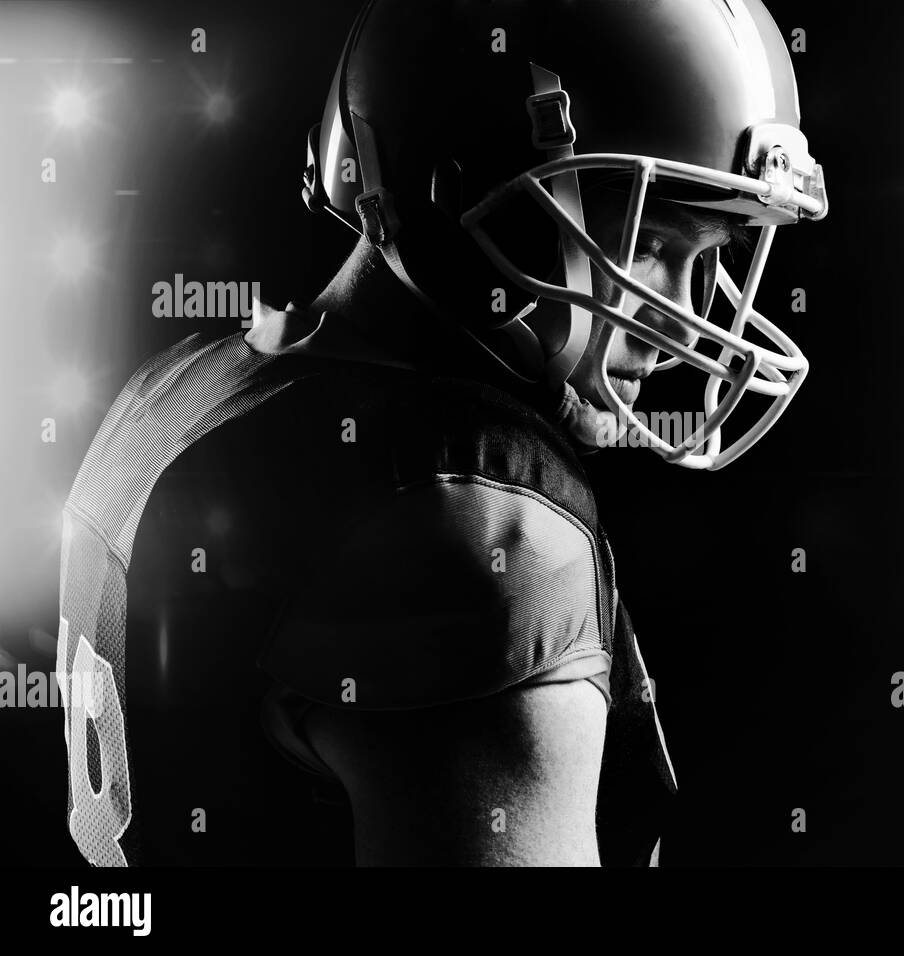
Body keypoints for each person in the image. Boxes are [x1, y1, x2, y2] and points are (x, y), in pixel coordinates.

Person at [54, 0, 827, 867]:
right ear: (457, 186)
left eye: (714, 250)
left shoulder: (180, 385)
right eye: (648, 239)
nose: (684, 325)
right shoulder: (476, 528)